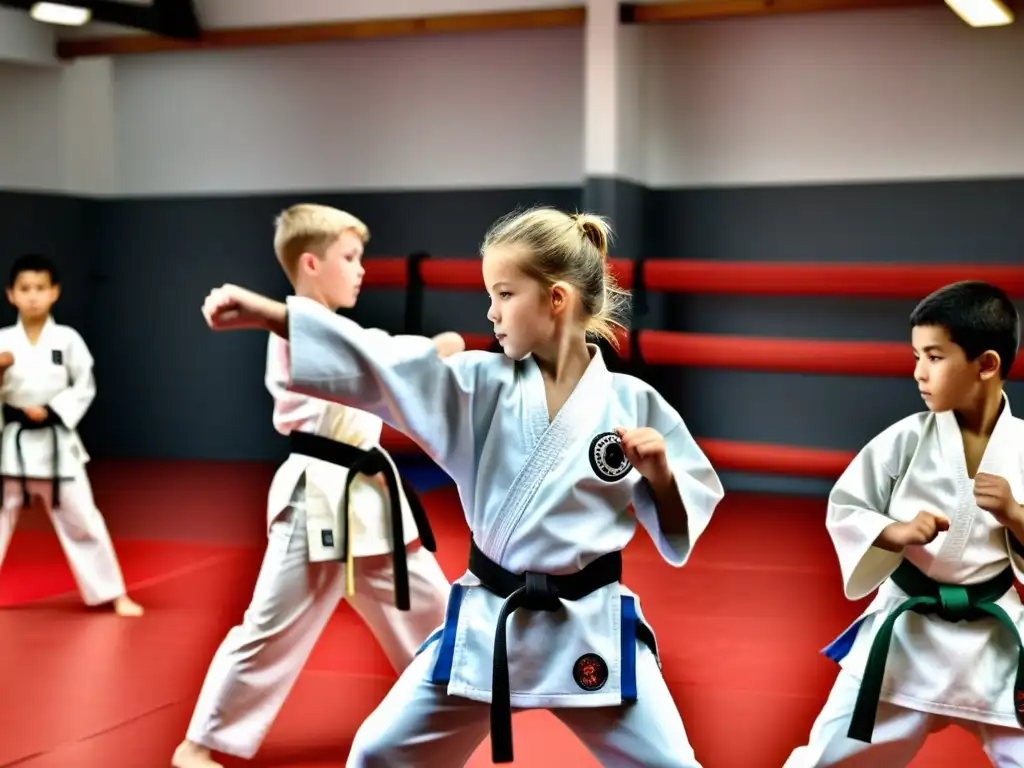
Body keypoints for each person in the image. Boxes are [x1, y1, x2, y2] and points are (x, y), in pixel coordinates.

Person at [200, 206, 726, 768]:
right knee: (378, 752)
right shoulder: (479, 385)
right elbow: (384, 364)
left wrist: (662, 475)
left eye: (504, 294)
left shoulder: (633, 404)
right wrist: (274, 316)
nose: (491, 312)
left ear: (556, 300)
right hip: (491, 621)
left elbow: (677, 528)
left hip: (588, 627)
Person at [173, 205, 457, 768]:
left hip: (372, 499)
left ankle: (454, 714)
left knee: (437, 616)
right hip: (318, 498)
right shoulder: (295, 329)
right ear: (310, 262)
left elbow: (379, 355)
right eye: (349, 258)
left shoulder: (339, 329)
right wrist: (431, 349)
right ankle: (197, 745)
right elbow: (363, 355)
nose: (361, 271)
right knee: (270, 629)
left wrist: (428, 353)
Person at [784, 280, 1024, 767]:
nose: (918, 372)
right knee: (828, 757)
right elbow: (847, 508)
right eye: (916, 356)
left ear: (987, 365)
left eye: (934, 357)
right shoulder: (904, 440)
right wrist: (898, 532)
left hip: (993, 639)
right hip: (904, 634)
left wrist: (1014, 514)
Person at [0, 253, 142, 617]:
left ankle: (114, 593)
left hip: (56, 442)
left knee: (84, 519)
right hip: (11, 444)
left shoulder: (67, 339)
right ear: (10, 295)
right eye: (25, 289)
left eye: (40, 288)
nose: (33, 296)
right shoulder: (3, 340)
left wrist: (53, 411)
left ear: (54, 292)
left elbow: (85, 385)